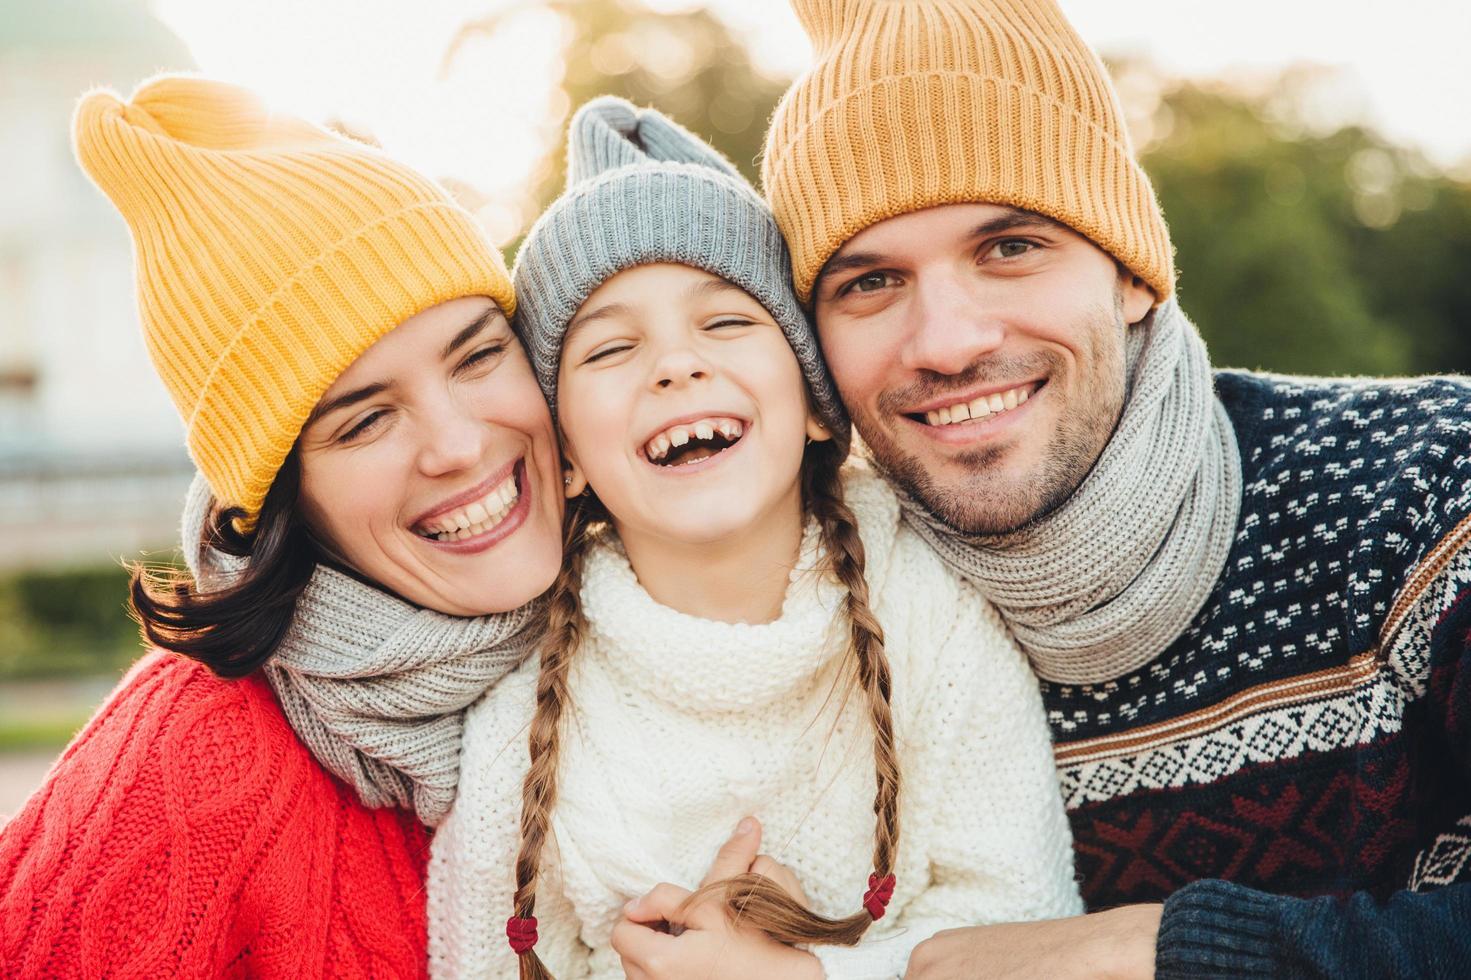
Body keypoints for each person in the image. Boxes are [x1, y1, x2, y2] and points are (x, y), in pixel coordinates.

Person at [753, 0, 1471, 977]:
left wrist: (1148, 946)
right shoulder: (813, 622)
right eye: (868, 282)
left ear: (1131, 273)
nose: (949, 340)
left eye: (1009, 247)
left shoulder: (1427, 487)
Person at [427, 96, 1081, 980]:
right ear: (567, 456)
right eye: (609, 350)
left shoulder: (931, 606)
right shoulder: (527, 708)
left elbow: (1021, 914)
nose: (674, 364)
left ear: (816, 401)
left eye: (726, 322)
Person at [0, 75, 565, 977]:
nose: (458, 445)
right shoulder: (192, 765)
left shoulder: (638, 647)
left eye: (479, 353)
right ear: (281, 499)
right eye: (364, 420)